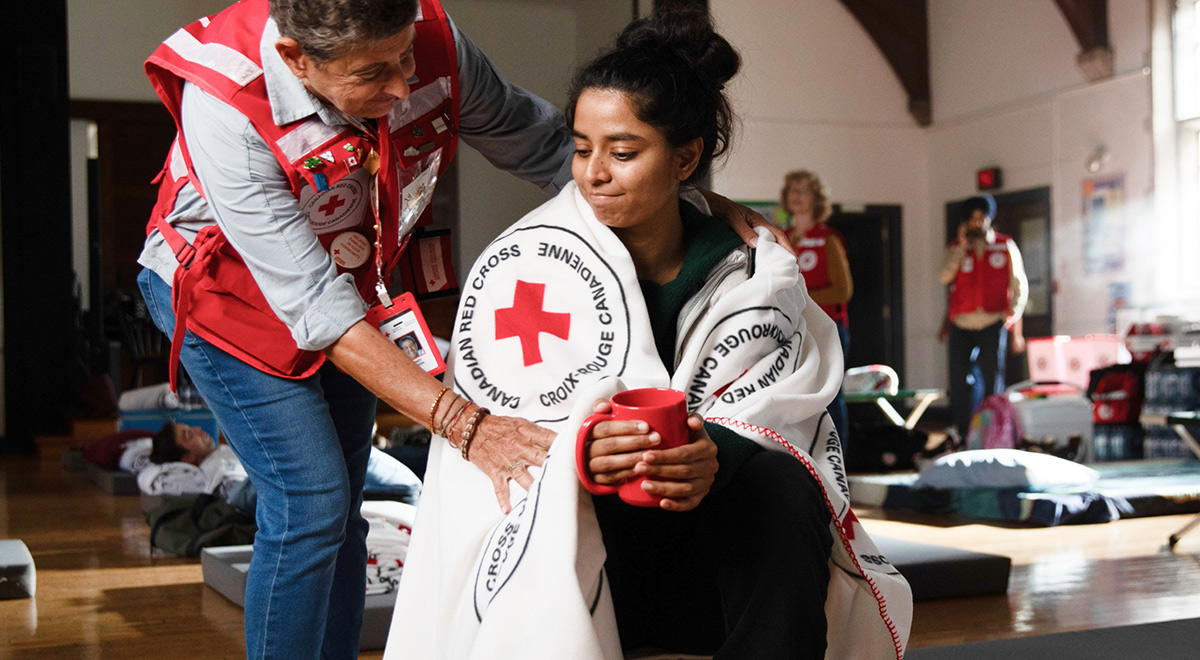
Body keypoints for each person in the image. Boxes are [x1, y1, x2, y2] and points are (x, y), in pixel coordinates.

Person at [135, 1, 788, 658]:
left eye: (405, 57)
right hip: (228, 298)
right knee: (311, 501)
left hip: (346, 285)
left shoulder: (430, 42)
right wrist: (465, 423)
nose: (401, 85)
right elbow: (316, 312)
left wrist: (685, 196)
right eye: (373, 74)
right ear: (296, 61)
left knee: (345, 505)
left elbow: (549, 147)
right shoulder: (224, 109)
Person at [385, 9, 911, 660]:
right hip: (600, 545)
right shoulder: (529, 264)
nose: (593, 173)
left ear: (686, 157)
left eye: (624, 152)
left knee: (783, 490)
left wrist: (713, 449)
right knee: (552, 510)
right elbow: (509, 422)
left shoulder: (752, 272)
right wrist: (581, 453)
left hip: (709, 548)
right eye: (581, 148)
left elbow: (785, 410)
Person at [938, 195, 1029, 440]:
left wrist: (1013, 314)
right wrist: (960, 246)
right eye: (973, 218)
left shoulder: (1004, 244)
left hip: (992, 322)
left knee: (991, 380)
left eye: (982, 218)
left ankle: (993, 431)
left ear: (989, 219)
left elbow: (1019, 283)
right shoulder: (956, 247)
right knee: (959, 380)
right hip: (962, 323)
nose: (978, 223)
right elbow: (944, 277)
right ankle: (964, 432)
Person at [781, 170, 853, 449]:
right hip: (790, 330)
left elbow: (843, 290)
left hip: (826, 329)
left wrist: (801, 296)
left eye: (803, 190)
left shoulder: (828, 238)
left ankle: (836, 462)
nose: (796, 196)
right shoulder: (782, 237)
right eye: (792, 190)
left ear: (817, 199)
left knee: (830, 396)